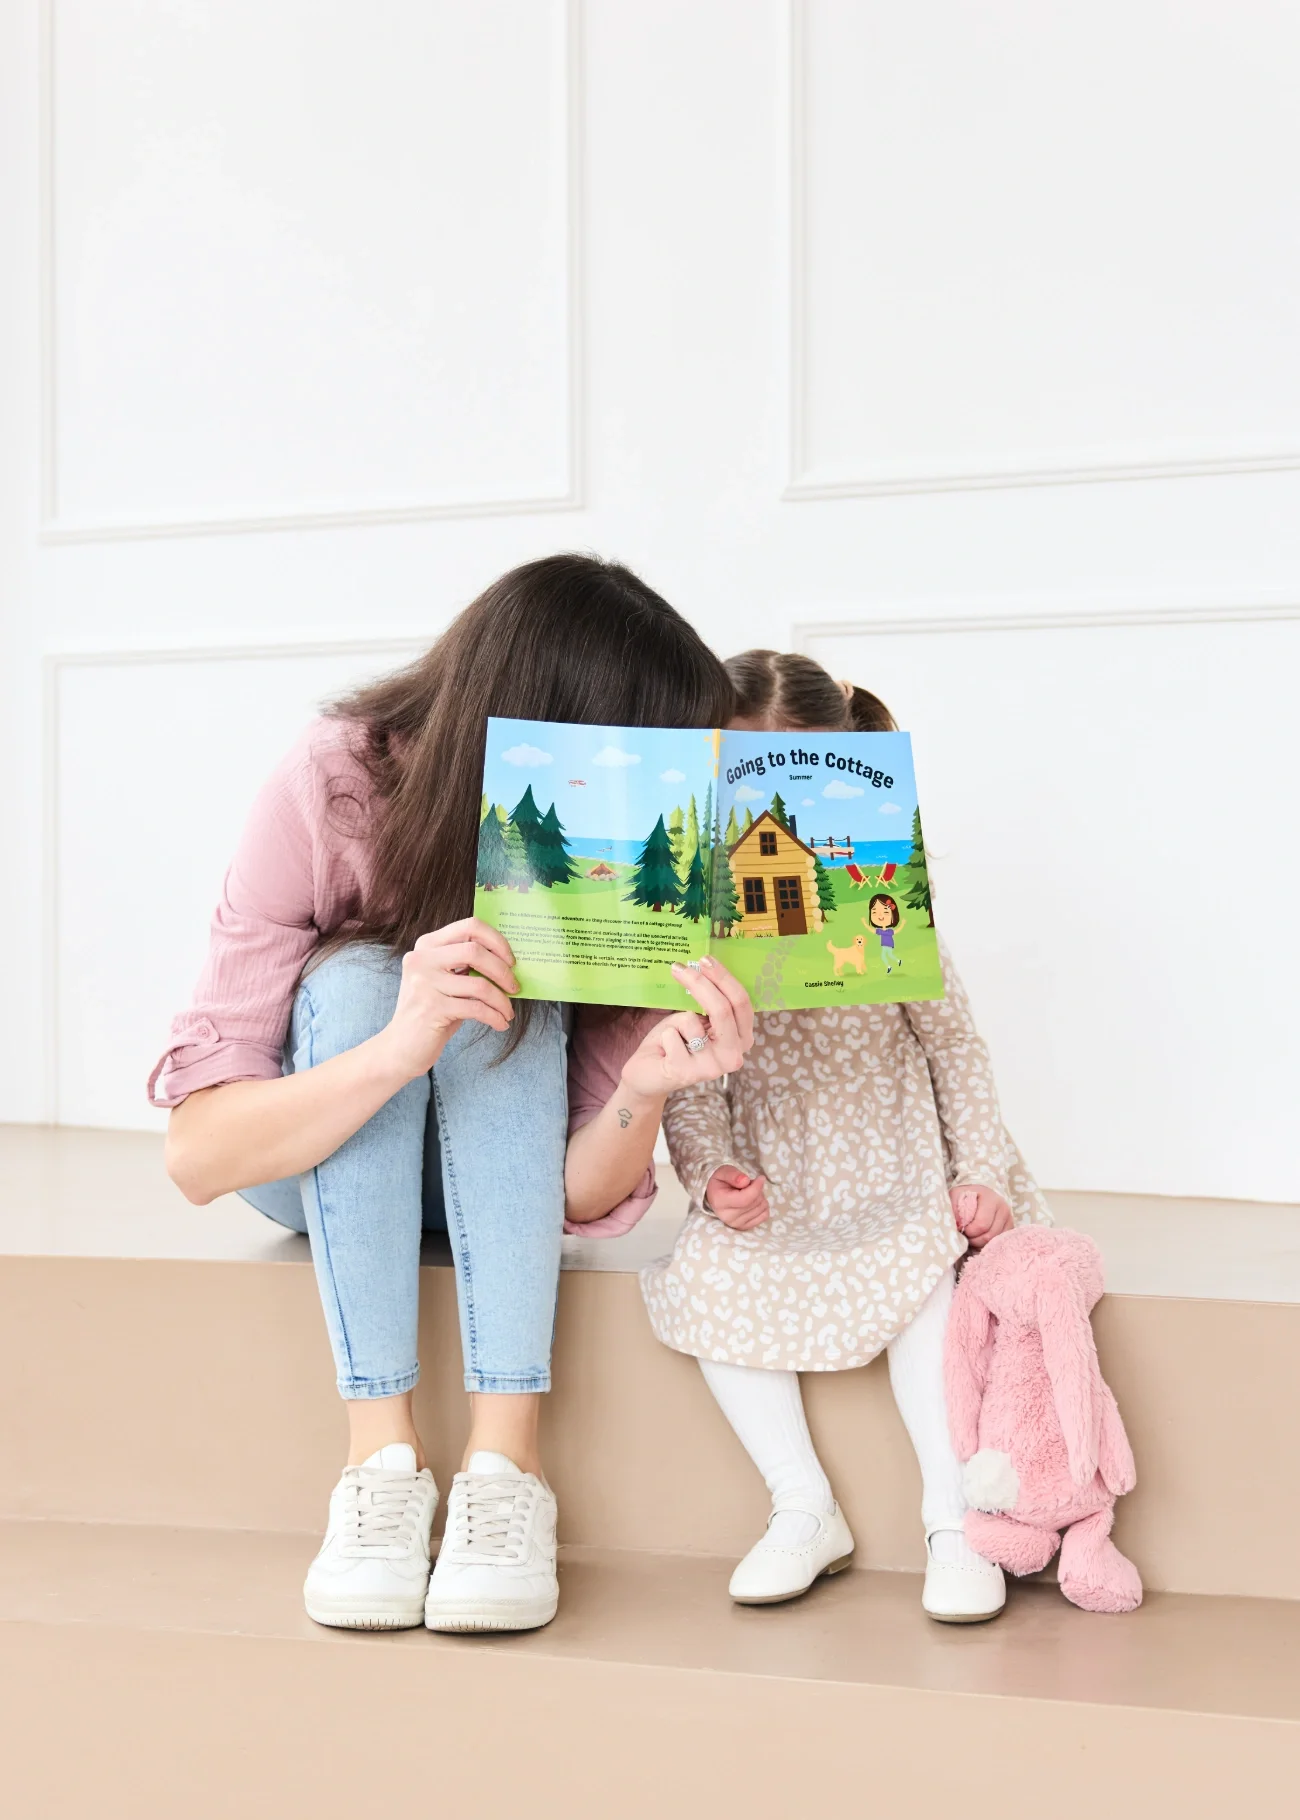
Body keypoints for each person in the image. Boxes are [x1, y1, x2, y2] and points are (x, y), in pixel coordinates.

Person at [152, 554, 734, 1634]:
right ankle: (379, 1466)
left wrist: (646, 1089)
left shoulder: (623, 891)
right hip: (317, 1154)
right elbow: (198, 1154)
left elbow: (572, 1191)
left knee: (509, 997)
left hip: (504, 1174)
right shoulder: (333, 784)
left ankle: (505, 1469)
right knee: (380, 974)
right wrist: (396, 1047)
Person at [564, 649, 1051, 1621]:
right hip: (782, 1182)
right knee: (710, 1277)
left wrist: (979, 1171)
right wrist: (713, 1178)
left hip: (900, 1166)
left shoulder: (887, 910)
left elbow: (955, 1047)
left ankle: (951, 1516)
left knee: (933, 1292)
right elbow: (688, 1075)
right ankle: (802, 1503)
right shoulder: (696, 928)